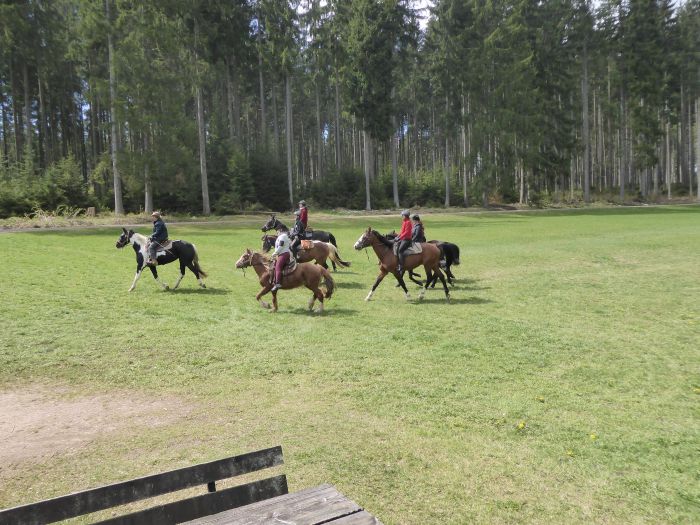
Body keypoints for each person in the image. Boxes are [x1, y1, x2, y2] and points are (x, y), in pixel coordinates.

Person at [395, 209, 412, 274]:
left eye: (403, 215)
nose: (402, 216)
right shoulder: (404, 222)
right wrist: (397, 237)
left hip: (407, 240)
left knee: (400, 250)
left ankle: (401, 266)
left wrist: (400, 238)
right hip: (403, 239)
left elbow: (406, 232)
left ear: (406, 216)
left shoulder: (408, 222)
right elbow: (402, 232)